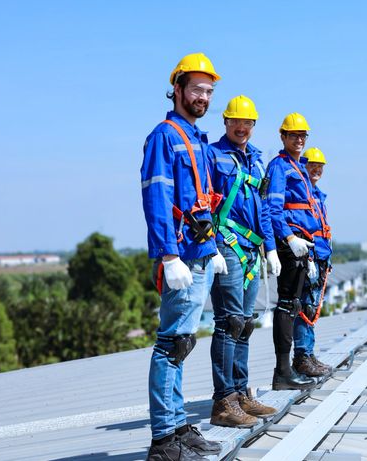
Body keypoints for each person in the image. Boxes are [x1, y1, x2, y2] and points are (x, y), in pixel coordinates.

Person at [141, 52, 229, 461]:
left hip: (198, 251)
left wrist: (211, 250)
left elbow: (203, 202)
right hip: (180, 255)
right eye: (196, 88)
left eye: (209, 91)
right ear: (177, 89)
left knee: (183, 342)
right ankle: (164, 440)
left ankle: (178, 428)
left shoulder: (196, 138)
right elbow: (157, 197)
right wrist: (167, 255)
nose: (203, 96)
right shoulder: (165, 136)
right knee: (170, 345)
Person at [207, 95, 280, 427]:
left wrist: (271, 246)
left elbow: (264, 208)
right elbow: (205, 203)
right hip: (227, 243)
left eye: (248, 123)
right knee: (229, 322)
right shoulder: (214, 156)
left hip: (252, 249)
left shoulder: (256, 161)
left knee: (245, 323)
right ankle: (224, 401)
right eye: (237, 121)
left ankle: (241, 392)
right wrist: (211, 247)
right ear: (226, 123)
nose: (242, 127)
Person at [265, 113, 321, 391]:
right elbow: (273, 209)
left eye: (302, 136)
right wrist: (287, 238)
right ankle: (282, 372)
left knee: (295, 305)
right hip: (291, 243)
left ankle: (287, 370)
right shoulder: (279, 167)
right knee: (286, 306)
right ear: (283, 136)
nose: (299, 140)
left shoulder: (297, 166)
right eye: (293, 135)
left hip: (302, 244)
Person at [292, 147, 333, 377]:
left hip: (321, 256)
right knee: (305, 307)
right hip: (309, 256)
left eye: (320, 167)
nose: (316, 170)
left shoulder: (318, 195)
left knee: (313, 306)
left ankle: (308, 352)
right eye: (312, 166)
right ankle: (301, 356)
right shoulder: (302, 194)